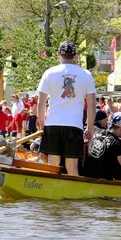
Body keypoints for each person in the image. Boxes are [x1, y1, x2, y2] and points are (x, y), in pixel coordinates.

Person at [37, 41, 96, 176]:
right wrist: (90, 127)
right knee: (72, 165)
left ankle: (51, 192)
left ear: (59, 55)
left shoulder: (49, 73)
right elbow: (91, 105)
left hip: (53, 123)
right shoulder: (86, 74)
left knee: (53, 164)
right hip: (74, 124)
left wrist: (42, 124)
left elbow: (41, 102)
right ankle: (73, 195)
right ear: (75, 56)